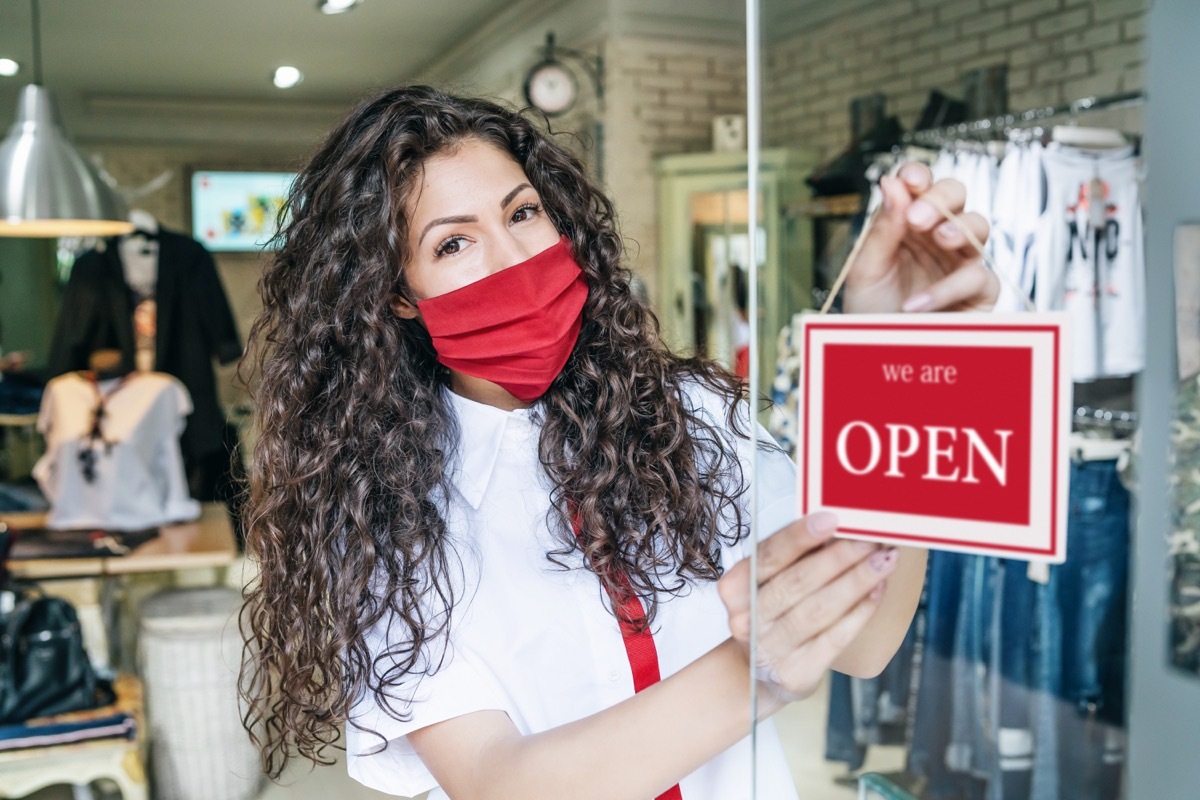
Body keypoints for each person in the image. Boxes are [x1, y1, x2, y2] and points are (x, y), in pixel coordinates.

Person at [239, 85, 998, 800]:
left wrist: (897, 356)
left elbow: (868, 644)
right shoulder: (384, 517)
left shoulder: (688, 416)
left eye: (523, 213)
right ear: (395, 294)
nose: (514, 260)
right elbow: (503, 782)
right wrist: (759, 671)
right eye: (453, 245)